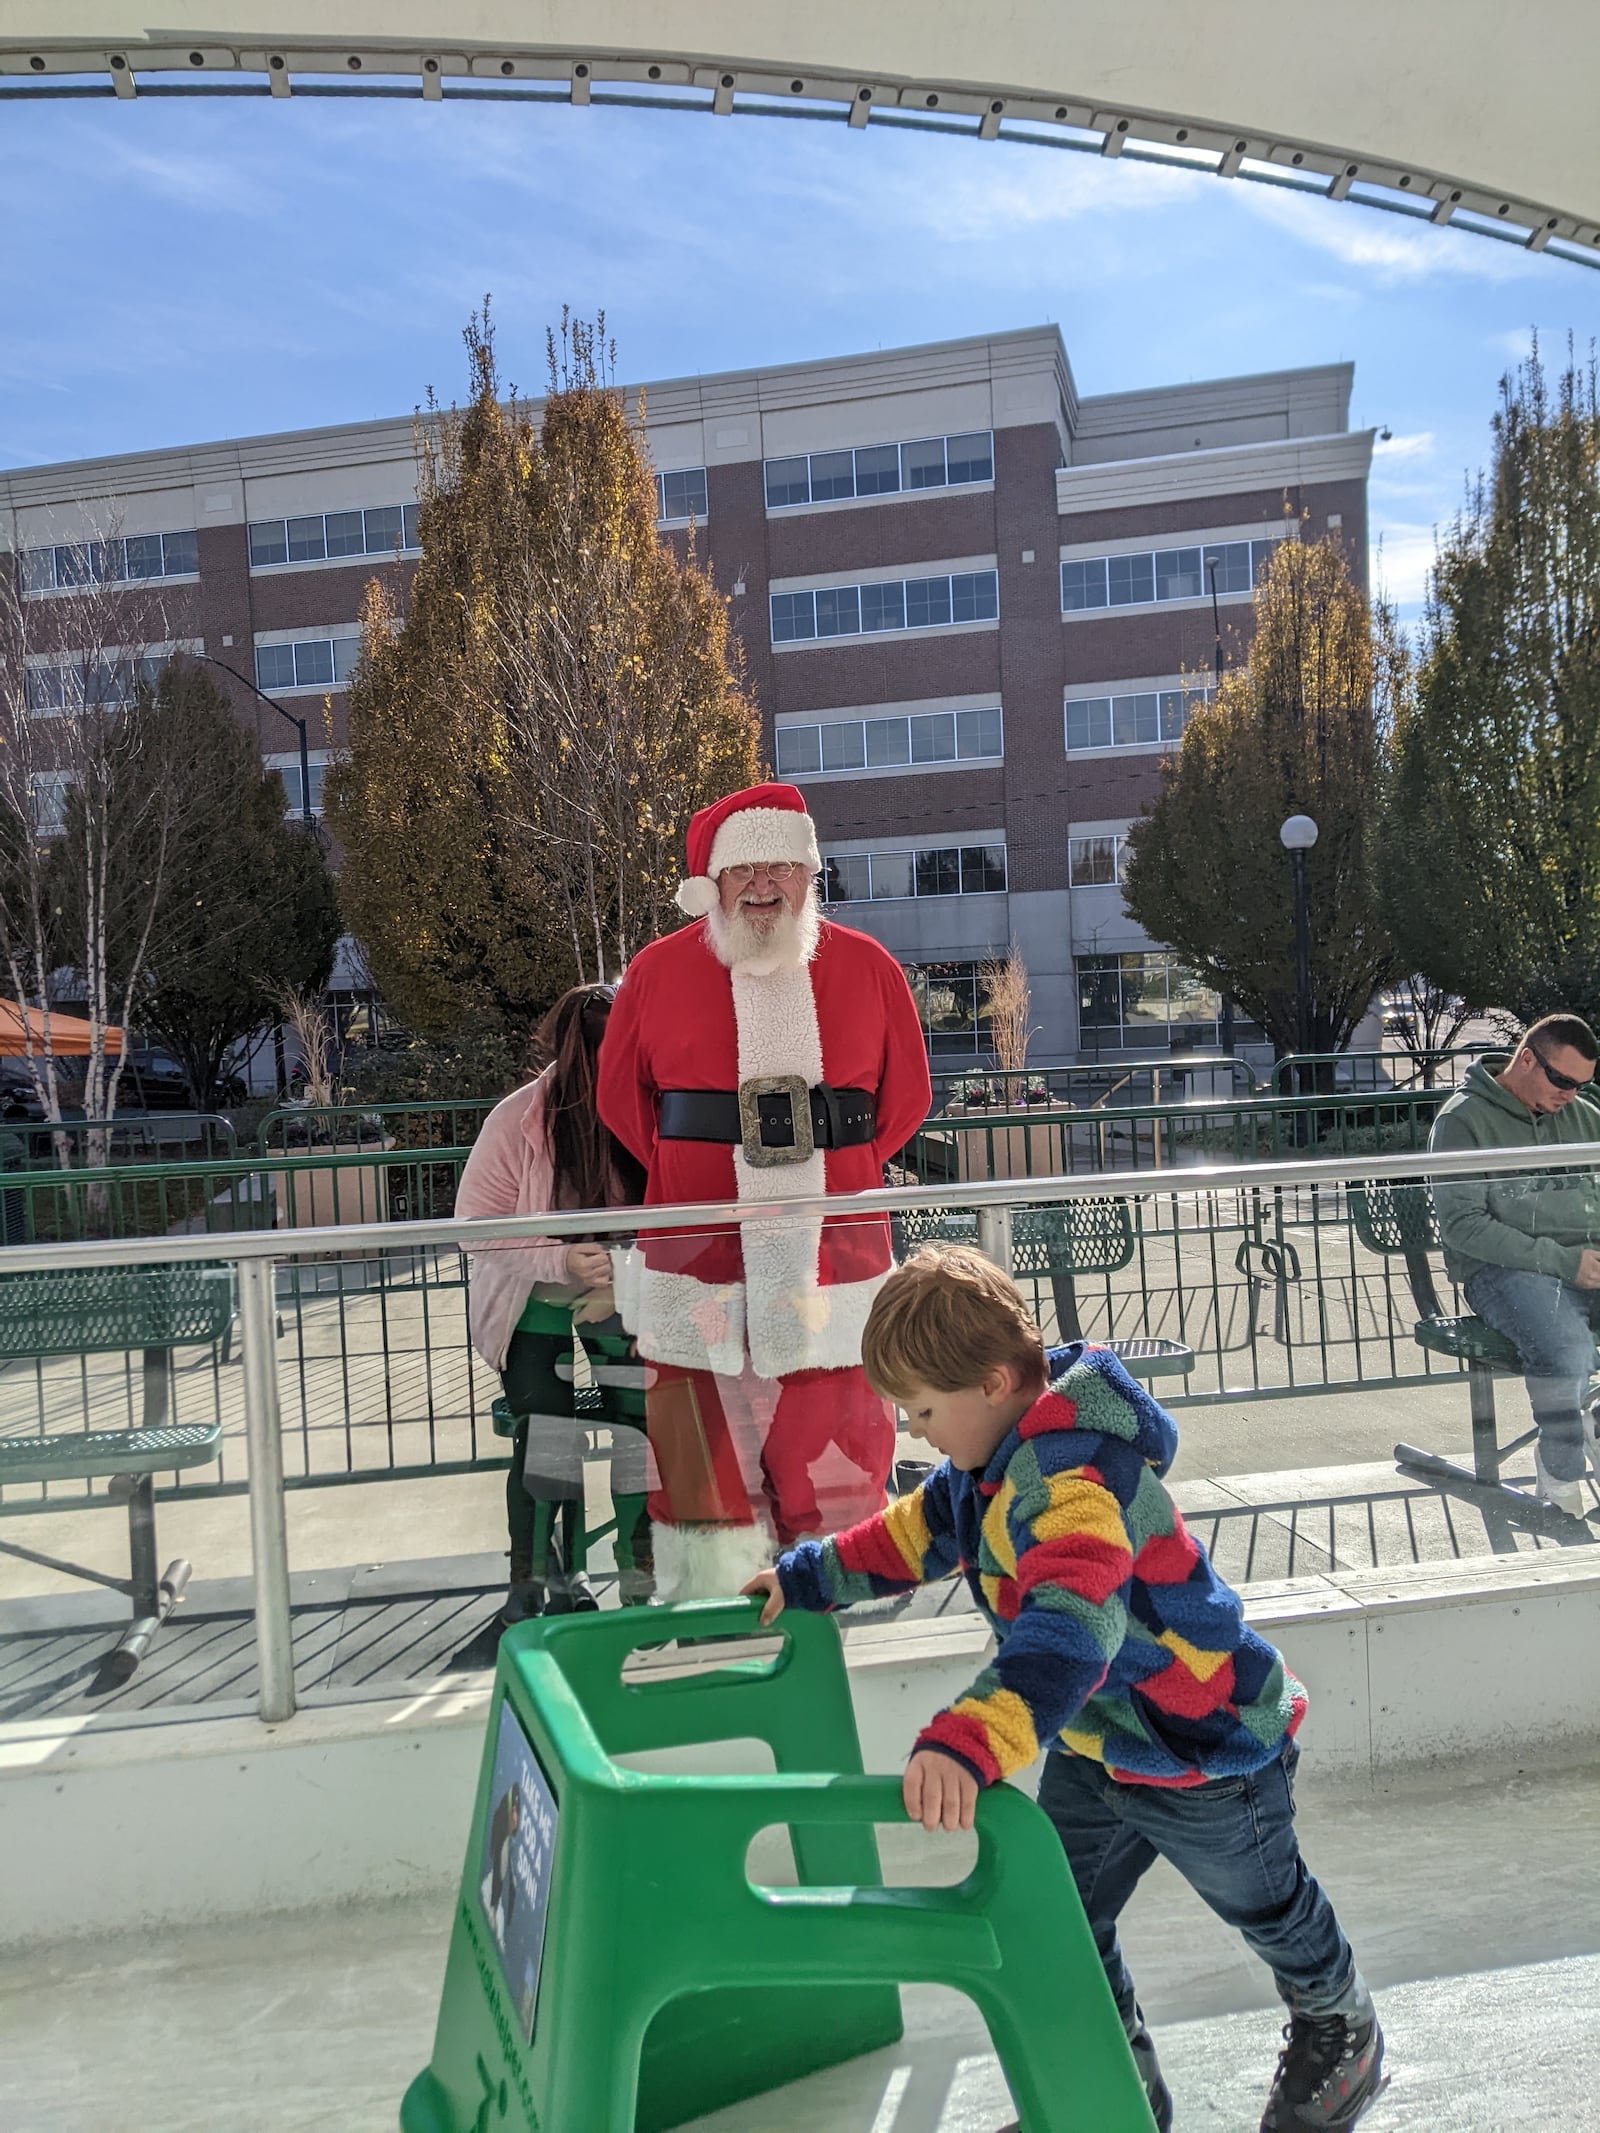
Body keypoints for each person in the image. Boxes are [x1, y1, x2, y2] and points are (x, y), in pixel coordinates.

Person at [744, 1245, 1385, 2133]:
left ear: (995, 1382)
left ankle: (1342, 2027)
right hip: (1099, 1741)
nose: (915, 1430)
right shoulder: (985, 1469)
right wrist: (807, 1575)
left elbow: (1072, 1632)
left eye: (923, 1409)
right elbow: (910, 1536)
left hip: (1205, 1748)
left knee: (1268, 1907)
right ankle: (1113, 2089)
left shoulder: (1072, 1482)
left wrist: (968, 1740)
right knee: (1063, 1915)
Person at [597, 781, 932, 1601]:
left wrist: (834, 1171)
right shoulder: (656, 971)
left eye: (782, 864)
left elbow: (906, 1102)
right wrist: (693, 1172)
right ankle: (713, 1609)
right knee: (702, 1447)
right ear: (712, 881)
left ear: (810, 873)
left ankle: (834, 1593)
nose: (762, 882)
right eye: (743, 866)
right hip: (697, 1258)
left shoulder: (871, 966)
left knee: (838, 1443)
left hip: (833, 1260)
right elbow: (620, 1103)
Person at [456, 983, 650, 1620]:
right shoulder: (517, 1120)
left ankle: (639, 1574)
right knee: (549, 1440)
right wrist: (559, 1259)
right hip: (531, 1304)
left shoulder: (642, 1113)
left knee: (640, 1431)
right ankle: (541, 1581)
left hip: (620, 1296)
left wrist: (621, 1273)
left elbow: (669, 1217)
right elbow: (476, 1226)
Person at [1428, 1013, 1600, 1517]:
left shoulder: (1586, 1116)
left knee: (1568, 1346)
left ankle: (1593, 1422)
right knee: (1566, 1349)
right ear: (1527, 1059)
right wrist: (1564, 1261)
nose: (1571, 1094)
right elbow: (1463, 1227)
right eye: (1562, 1080)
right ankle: (1561, 1470)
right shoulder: (1463, 1121)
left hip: (1585, 1261)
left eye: (1582, 1084)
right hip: (1502, 1270)